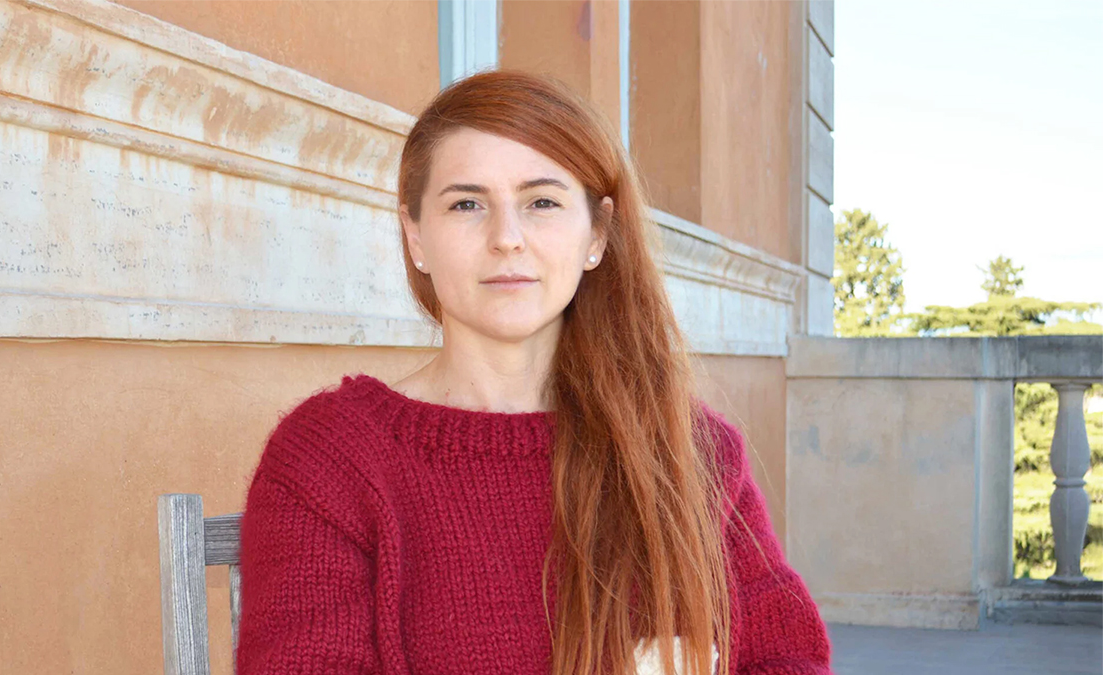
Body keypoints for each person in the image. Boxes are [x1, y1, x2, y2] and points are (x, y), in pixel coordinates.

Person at [235, 69, 832, 675]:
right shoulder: (329, 462)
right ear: (416, 237)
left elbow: (789, 658)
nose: (507, 238)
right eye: (467, 204)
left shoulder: (688, 452)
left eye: (541, 202)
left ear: (597, 235)